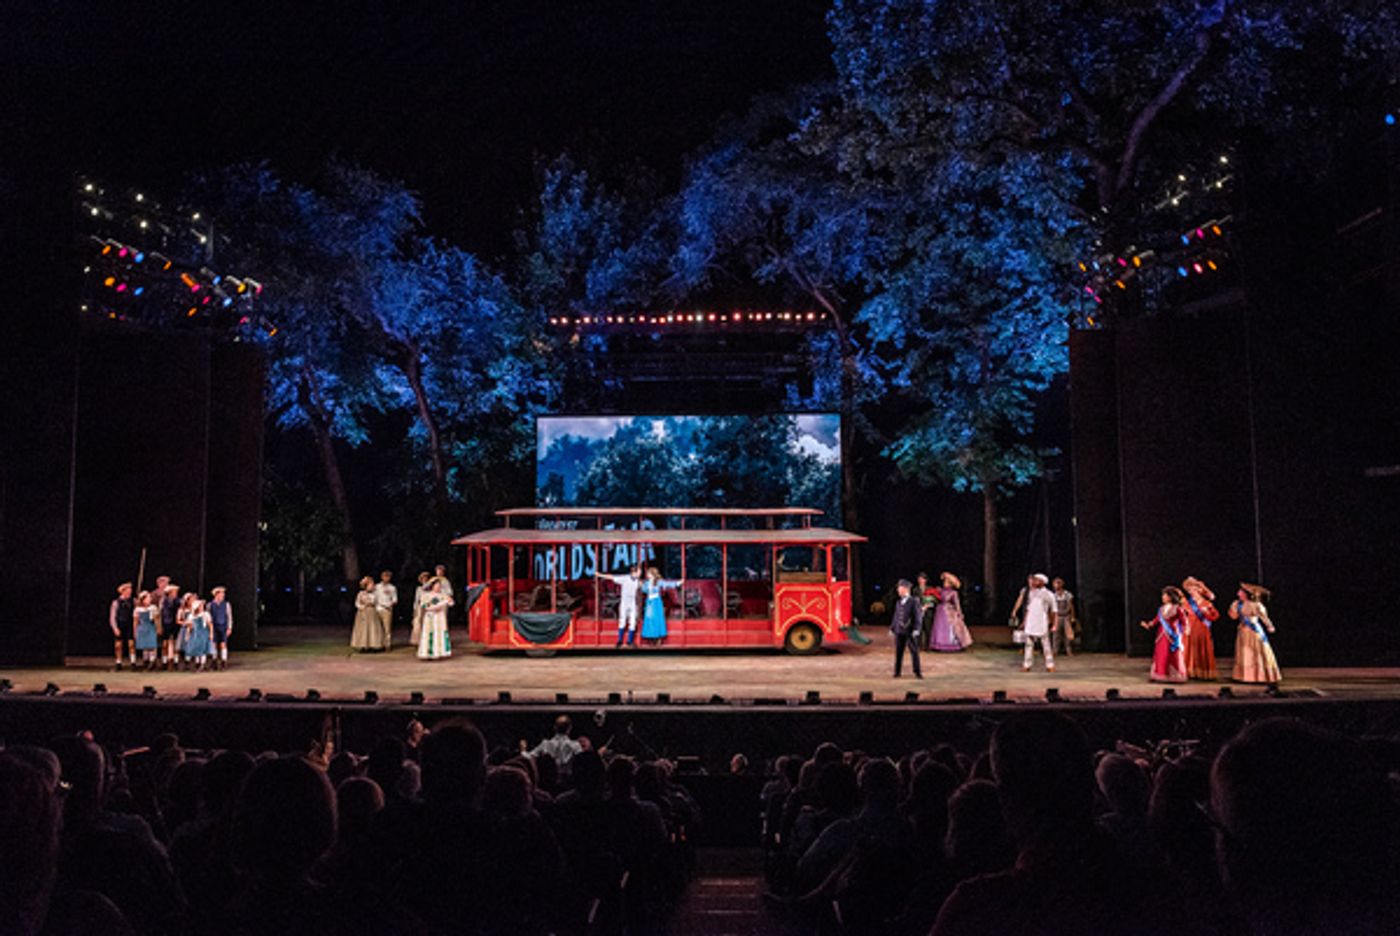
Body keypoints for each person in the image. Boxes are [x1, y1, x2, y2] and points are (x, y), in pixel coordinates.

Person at [1229, 582, 1281, 683]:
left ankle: (1261, 676)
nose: (1238, 593)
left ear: (1246, 594)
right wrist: (1233, 609)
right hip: (1243, 631)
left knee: (1256, 652)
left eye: (1240, 592)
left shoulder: (1256, 605)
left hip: (1253, 631)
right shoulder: (1238, 604)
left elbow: (1264, 617)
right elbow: (1233, 617)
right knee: (1245, 653)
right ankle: (1245, 676)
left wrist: (1270, 626)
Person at [1141, 586, 1189, 683]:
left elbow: (1184, 621)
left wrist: (1184, 631)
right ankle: (1160, 674)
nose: (1163, 597)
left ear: (1170, 597)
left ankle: (1174, 675)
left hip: (1172, 635)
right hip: (1161, 635)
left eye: (1165, 595)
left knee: (1171, 654)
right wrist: (1148, 625)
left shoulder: (1178, 609)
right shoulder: (1161, 609)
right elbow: (1156, 620)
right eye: (1163, 595)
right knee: (1161, 654)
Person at [1015, 574, 1057, 673]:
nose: (1034, 582)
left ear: (1042, 582)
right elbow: (1029, 609)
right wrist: (1025, 621)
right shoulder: (1031, 593)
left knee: (1046, 644)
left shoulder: (1048, 594)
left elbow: (1054, 610)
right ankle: (1026, 665)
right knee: (1028, 644)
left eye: (1037, 580)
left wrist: (1053, 623)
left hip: (1042, 621)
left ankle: (1050, 665)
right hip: (1031, 621)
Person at [1181, 576, 1219, 680]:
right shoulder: (1186, 603)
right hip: (1190, 627)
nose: (1190, 591)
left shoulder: (1207, 603)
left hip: (1202, 627)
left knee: (1201, 646)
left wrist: (1207, 612)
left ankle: (1203, 672)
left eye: (1192, 588)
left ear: (1198, 589)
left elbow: (1215, 616)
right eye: (1189, 589)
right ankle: (1189, 671)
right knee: (1189, 647)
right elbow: (1182, 616)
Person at [597, 563, 644, 647]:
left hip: (632, 603)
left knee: (633, 622)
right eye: (639, 572)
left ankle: (630, 641)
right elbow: (612, 577)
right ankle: (619, 640)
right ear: (634, 572)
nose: (640, 574)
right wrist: (600, 575)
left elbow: (643, 587)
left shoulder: (638, 582)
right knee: (622, 621)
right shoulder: (625, 578)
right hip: (624, 602)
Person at [929, 572, 972, 652]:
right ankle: (938, 644)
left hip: (948, 611)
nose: (944, 583)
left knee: (950, 628)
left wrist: (959, 613)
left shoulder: (953, 593)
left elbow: (957, 604)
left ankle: (951, 644)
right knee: (939, 628)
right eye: (944, 581)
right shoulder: (940, 590)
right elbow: (936, 597)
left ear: (950, 584)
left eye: (946, 582)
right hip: (940, 611)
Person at [639, 566, 682, 645]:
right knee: (649, 619)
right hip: (650, 602)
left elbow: (668, 584)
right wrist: (641, 586)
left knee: (657, 619)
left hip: (657, 602)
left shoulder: (659, 582)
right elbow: (644, 590)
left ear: (652, 574)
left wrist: (677, 583)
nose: (647, 575)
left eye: (649, 573)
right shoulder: (647, 583)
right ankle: (651, 637)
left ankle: (658, 637)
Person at [889, 578, 923, 678]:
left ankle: (917, 672)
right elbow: (896, 616)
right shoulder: (899, 602)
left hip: (910, 630)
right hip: (900, 630)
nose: (898, 590)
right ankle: (897, 672)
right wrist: (892, 628)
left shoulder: (913, 601)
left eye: (900, 588)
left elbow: (917, 616)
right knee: (898, 652)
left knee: (914, 651)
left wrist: (917, 628)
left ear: (905, 589)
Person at [417, 577, 454, 659]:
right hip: (430, 616)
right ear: (432, 586)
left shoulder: (443, 595)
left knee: (439, 633)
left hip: (440, 617)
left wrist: (449, 601)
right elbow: (424, 605)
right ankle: (428, 652)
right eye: (436, 585)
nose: (438, 587)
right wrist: (433, 607)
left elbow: (451, 603)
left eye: (439, 585)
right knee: (430, 633)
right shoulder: (426, 595)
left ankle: (440, 652)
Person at [350, 576, 385, 652]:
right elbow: (357, 603)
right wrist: (362, 607)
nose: (372, 586)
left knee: (373, 629)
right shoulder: (361, 594)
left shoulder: (375, 594)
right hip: (363, 613)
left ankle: (373, 645)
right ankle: (363, 645)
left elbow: (377, 602)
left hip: (372, 612)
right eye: (371, 585)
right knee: (363, 629)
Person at [109, 582, 135, 671]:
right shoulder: (116, 602)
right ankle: (118, 662)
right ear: (123, 591)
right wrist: (115, 628)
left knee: (131, 644)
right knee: (118, 645)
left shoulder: (133, 601)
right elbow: (113, 616)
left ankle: (133, 662)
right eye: (128, 590)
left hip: (130, 624)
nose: (130, 592)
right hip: (120, 624)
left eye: (130, 590)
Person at [207, 586, 233, 670]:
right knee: (214, 644)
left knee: (223, 644)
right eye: (221, 594)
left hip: (223, 626)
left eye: (223, 594)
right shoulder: (210, 605)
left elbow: (229, 616)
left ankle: (223, 661)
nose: (223, 595)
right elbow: (208, 617)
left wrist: (229, 627)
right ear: (216, 595)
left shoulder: (226, 604)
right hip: (214, 626)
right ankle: (214, 661)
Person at [184, 597, 212, 671]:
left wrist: (211, 634)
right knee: (196, 648)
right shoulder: (192, 616)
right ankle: (197, 663)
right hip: (195, 634)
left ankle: (202, 664)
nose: (202, 607)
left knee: (203, 648)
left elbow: (210, 625)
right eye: (200, 606)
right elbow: (190, 627)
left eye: (202, 606)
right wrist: (187, 634)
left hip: (203, 633)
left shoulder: (205, 614)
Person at [1051, 577, 1077, 656]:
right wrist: (1051, 619)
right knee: (1056, 635)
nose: (1056, 585)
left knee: (1067, 634)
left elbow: (1071, 606)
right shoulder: (1053, 595)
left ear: (1062, 584)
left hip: (1066, 616)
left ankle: (1068, 650)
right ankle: (1055, 650)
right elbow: (1051, 608)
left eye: (1058, 583)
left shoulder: (1067, 594)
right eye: (1055, 583)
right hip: (1057, 617)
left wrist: (1072, 616)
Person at [134, 590, 160, 670]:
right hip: (142, 628)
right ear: (143, 599)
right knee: (145, 645)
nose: (150, 599)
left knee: (151, 645)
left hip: (150, 627)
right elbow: (135, 621)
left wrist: (158, 628)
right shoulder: (138, 609)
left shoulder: (153, 608)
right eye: (148, 598)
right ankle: (146, 661)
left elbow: (156, 619)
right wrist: (135, 631)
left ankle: (152, 661)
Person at [374, 570, 398, 650]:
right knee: (378, 627)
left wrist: (390, 604)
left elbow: (395, 599)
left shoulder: (392, 588)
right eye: (385, 576)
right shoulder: (377, 587)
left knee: (387, 628)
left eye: (388, 576)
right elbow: (375, 597)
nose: (386, 578)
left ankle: (387, 644)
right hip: (378, 608)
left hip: (387, 609)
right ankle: (378, 644)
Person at [159, 582, 180, 671]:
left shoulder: (178, 601)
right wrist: (160, 625)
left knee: (175, 643)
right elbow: (161, 613)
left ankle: (174, 661)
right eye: (174, 591)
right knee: (165, 643)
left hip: (175, 624)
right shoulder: (163, 601)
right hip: (166, 623)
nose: (175, 593)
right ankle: (164, 661)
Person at [410, 571, 431, 648]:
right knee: (418, 623)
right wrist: (415, 609)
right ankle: (418, 640)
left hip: (428, 607)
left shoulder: (431, 588)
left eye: (426, 578)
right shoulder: (419, 589)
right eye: (423, 578)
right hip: (420, 607)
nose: (424, 579)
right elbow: (416, 599)